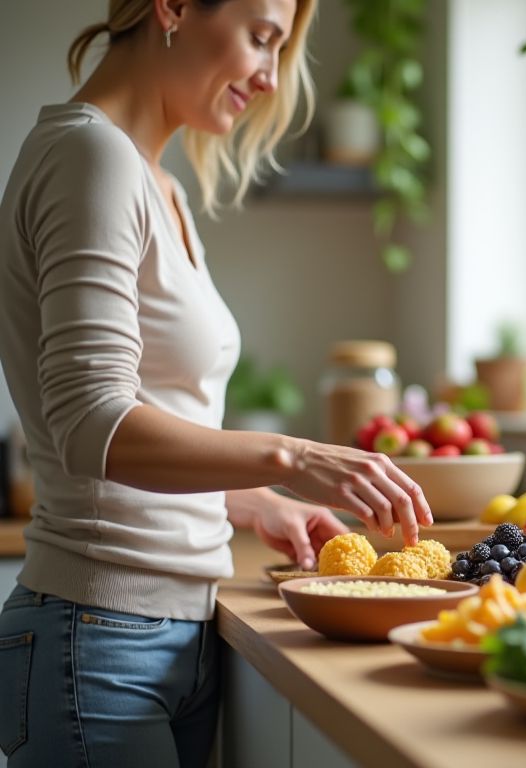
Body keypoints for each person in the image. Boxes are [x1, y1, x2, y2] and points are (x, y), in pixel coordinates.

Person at [0, 1, 432, 765]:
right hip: (98, 642)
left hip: (161, 636)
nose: (270, 78)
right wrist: (294, 459)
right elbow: (90, 423)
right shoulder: (89, 159)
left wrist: (254, 501)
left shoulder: (153, 182)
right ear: (171, 7)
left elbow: (148, 415)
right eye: (263, 38)